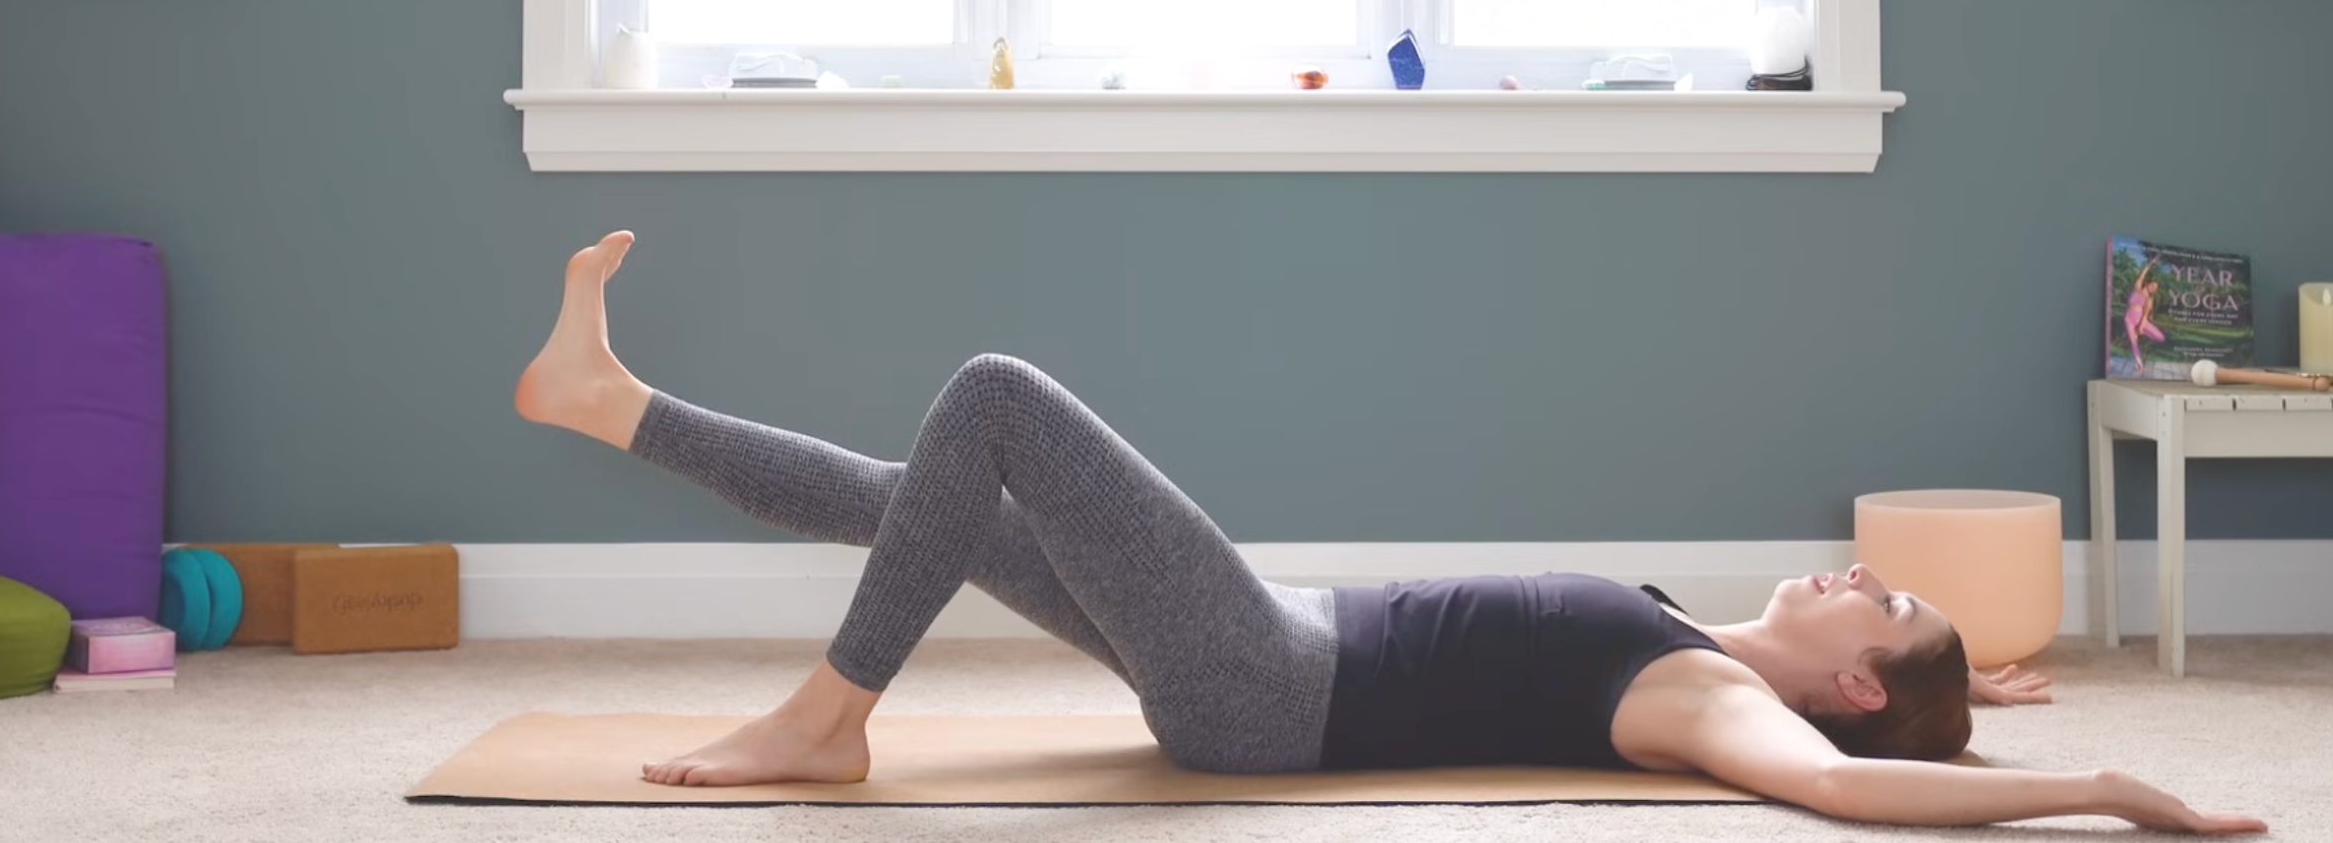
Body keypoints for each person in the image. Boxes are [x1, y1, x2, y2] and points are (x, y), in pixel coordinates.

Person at [514, 232, 2265, 834]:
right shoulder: (1713, 642)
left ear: (1855, 685)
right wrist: (1977, 690)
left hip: (1266, 680)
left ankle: (827, 720)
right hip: (1268, 634)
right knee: (927, 498)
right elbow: (1895, 722)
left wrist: (2108, 791)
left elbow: (1843, 789)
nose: (1850, 571)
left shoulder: (1711, 702)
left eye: (1874, 602)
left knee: (994, 394)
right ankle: (613, 404)